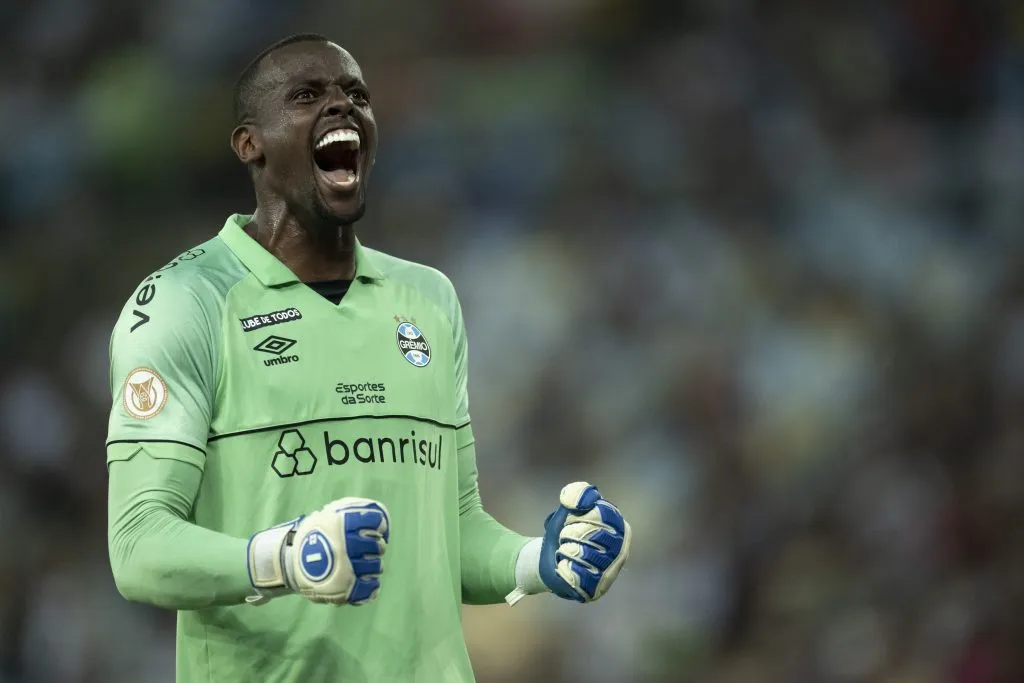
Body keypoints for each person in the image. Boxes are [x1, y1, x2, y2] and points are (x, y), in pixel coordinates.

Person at [106, 34, 631, 683]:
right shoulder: (186, 302)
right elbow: (137, 548)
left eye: (358, 96)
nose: (342, 108)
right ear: (250, 143)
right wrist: (286, 557)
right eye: (308, 95)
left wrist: (538, 561)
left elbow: (452, 535)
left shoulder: (428, 299)